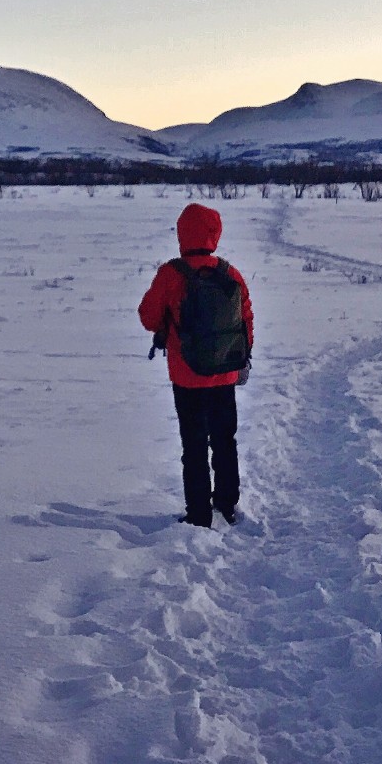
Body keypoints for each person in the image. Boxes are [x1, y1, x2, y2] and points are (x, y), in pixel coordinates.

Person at [139, 202, 254, 527]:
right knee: (224, 440)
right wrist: (242, 358)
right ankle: (228, 505)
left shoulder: (171, 274)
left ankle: (199, 515)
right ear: (214, 234)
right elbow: (246, 318)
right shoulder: (229, 273)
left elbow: (148, 317)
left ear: (181, 234)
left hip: (187, 375)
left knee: (193, 446)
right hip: (225, 373)